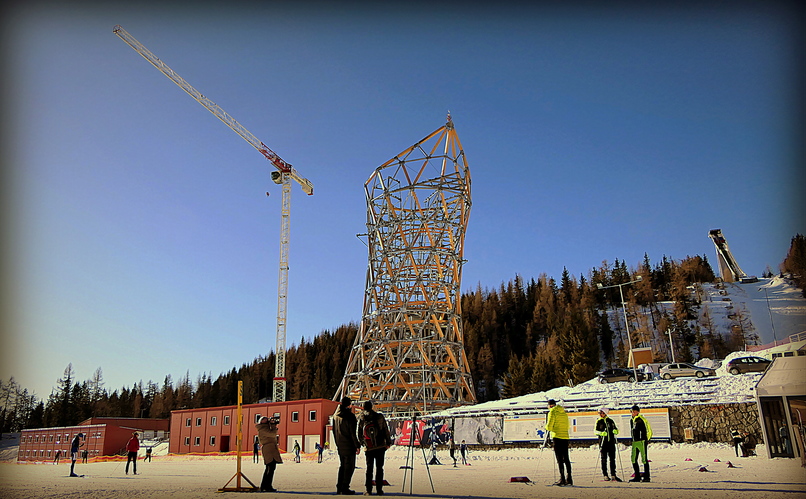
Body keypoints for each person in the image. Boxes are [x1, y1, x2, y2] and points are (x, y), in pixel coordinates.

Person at [357, 400, 392, 496]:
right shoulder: (379, 416)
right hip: (380, 446)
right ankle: (379, 490)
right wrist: (388, 442)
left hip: (369, 447)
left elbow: (359, 432)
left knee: (369, 468)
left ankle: (369, 490)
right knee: (379, 468)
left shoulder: (362, 418)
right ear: (372, 407)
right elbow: (385, 429)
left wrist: (362, 443)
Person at [332, 396, 360, 495]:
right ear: (349, 404)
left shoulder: (335, 416)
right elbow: (352, 433)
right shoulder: (350, 416)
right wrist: (357, 445)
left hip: (340, 444)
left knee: (343, 466)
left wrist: (337, 443)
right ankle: (345, 487)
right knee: (349, 467)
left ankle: (339, 487)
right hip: (349, 445)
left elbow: (334, 431)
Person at [545, 399, 572, 486]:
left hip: (557, 436)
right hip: (565, 436)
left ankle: (562, 478)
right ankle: (569, 478)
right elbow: (568, 425)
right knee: (566, 458)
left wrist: (547, 428)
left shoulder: (552, 412)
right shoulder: (563, 412)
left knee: (559, 459)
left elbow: (549, 426)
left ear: (550, 405)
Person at [256, 416, 283, 492]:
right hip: (268, 449)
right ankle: (265, 486)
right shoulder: (262, 430)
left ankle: (266, 485)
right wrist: (273, 426)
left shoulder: (266, 428)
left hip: (271, 448)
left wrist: (273, 424)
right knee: (269, 467)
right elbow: (273, 434)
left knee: (271, 468)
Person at [595, 407, 621, 481]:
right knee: (604, 459)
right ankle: (605, 475)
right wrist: (601, 433)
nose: (600, 414)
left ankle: (613, 474)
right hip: (603, 443)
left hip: (611, 443)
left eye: (602, 413)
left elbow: (615, 428)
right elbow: (595, 431)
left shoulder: (610, 421)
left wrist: (615, 431)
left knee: (612, 459)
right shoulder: (599, 421)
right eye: (599, 413)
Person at [629, 405, 652, 482]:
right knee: (633, 459)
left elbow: (649, 430)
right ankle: (637, 476)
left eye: (634, 411)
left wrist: (646, 439)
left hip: (641, 441)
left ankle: (647, 477)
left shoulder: (642, 419)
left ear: (638, 412)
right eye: (632, 411)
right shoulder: (632, 420)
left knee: (644, 459)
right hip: (635, 442)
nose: (633, 413)